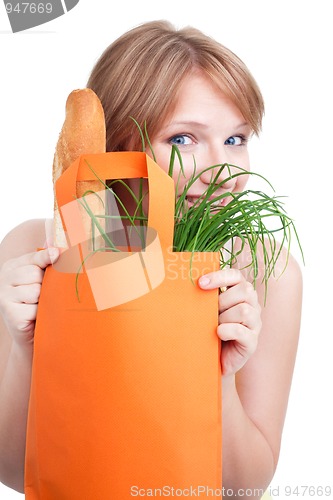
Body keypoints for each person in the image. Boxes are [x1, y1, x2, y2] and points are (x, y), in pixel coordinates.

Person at [0, 20, 302, 498]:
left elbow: (244, 489)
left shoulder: (268, 270)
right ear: (119, 145)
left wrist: (220, 376)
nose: (222, 170)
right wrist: (26, 348)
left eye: (236, 138)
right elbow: (16, 473)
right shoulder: (42, 253)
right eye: (182, 139)